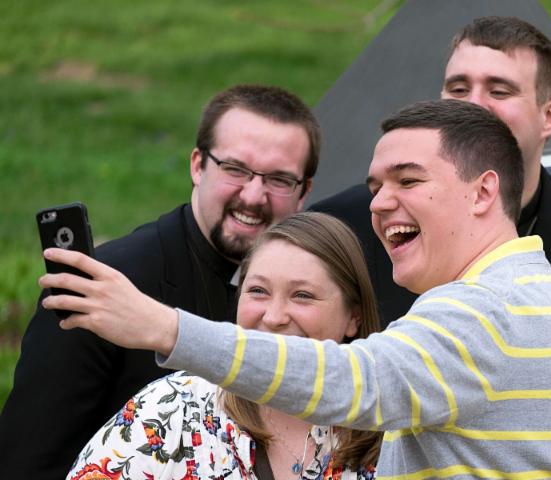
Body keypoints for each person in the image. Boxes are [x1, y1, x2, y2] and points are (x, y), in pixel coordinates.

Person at [42, 99, 551, 479]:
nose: (380, 203)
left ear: (482, 192)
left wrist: (163, 327)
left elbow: (357, 381)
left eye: (408, 180)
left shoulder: (484, 310)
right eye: (375, 186)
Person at [0, 84, 321, 478]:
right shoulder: (102, 284)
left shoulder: (319, 297)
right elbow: (29, 462)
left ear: (304, 192)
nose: (254, 196)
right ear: (197, 166)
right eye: (235, 169)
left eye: (279, 179)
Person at [311, 16, 551, 326]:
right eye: (458, 89)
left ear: (550, 116)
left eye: (499, 91)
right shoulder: (345, 225)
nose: (473, 104)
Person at [66, 212, 381, 480]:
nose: (273, 317)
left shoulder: (393, 431)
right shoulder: (171, 410)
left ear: (353, 317)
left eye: (302, 295)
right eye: (258, 291)